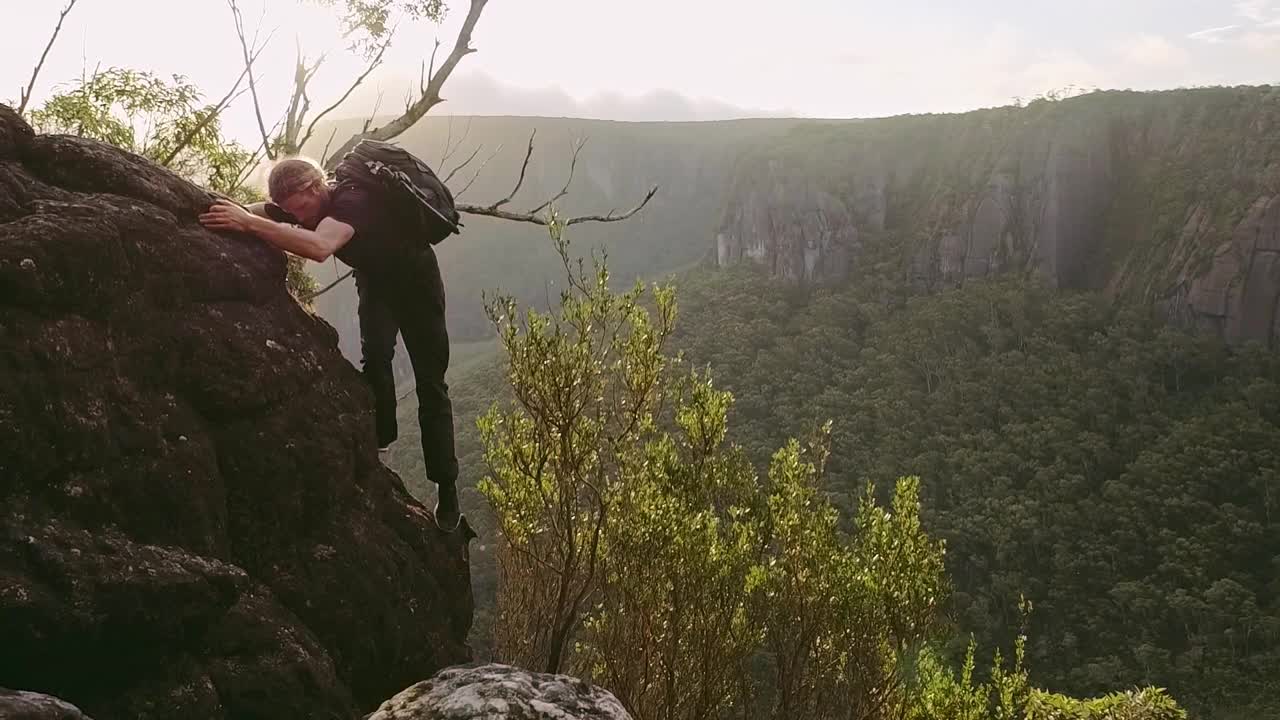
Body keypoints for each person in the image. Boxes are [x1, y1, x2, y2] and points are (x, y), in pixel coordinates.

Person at [198, 156, 461, 531]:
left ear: (314, 188)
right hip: (377, 283)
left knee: (431, 383)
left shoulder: (352, 201)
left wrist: (249, 223)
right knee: (376, 359)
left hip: (416, 284)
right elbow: (268, 212)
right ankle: (381, 440)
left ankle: (446, 486)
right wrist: (218, 207)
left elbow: (321, 247)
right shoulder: (304, 203)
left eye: (301, 208)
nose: (298, 217)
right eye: (291, 211)